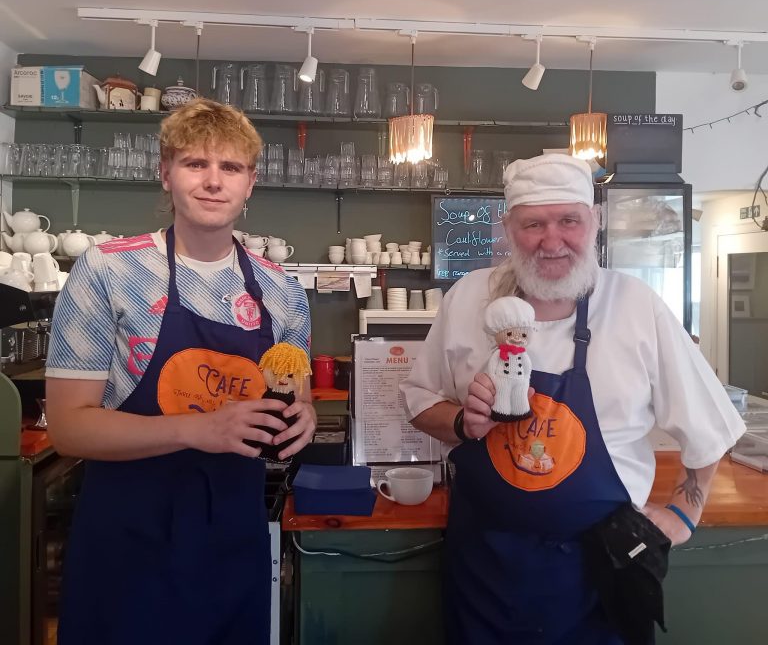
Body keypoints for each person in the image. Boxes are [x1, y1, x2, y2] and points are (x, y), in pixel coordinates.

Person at [400, 153, 745, 645]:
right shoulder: (467, 299)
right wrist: (461, 422)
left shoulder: (634, 306)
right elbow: (418, 400)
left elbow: (710, 425)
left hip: (603, 576)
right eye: (533, 224)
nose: (552, 240)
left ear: (595, 221)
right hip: (485, 572)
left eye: (569, 221)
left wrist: (684, 514)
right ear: (508, 228)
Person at [45, 99, 316, 645]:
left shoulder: (280, 290)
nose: (214, 181)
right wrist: (199, 428)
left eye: (231, 167)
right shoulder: (109, 270)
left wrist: (303, 417)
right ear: (165, 173)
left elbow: (297, 395)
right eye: (196, 163)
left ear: (250, 183)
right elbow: (69, 427)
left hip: (232, 537)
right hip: (130, 540)